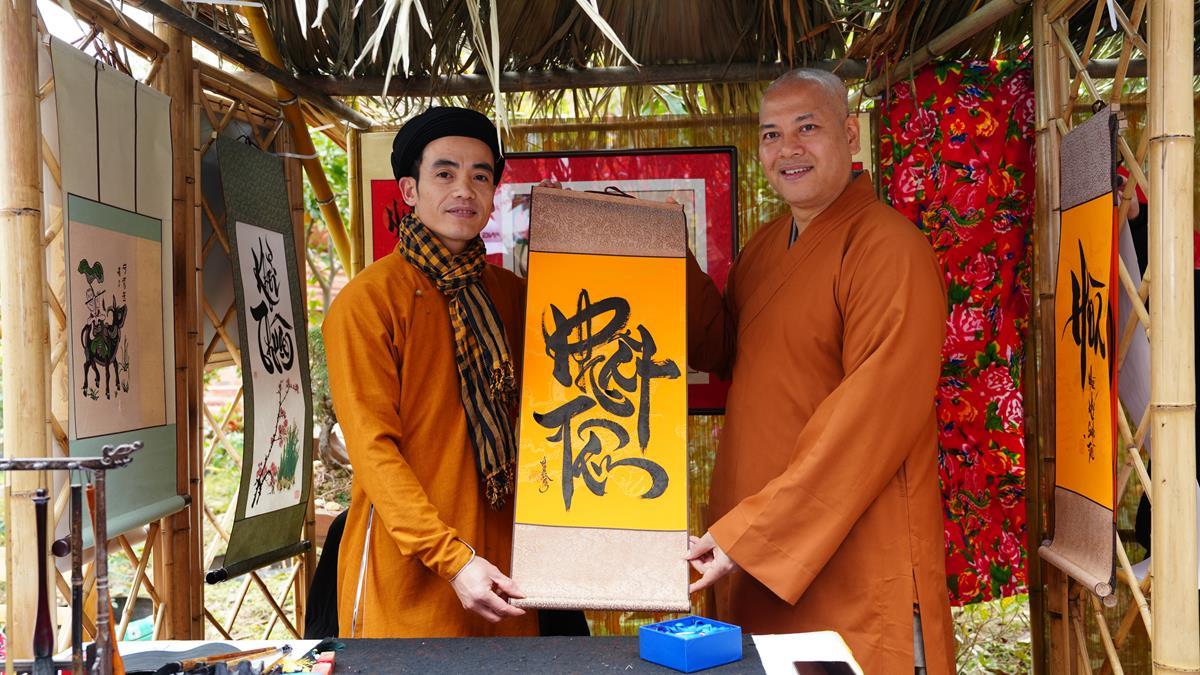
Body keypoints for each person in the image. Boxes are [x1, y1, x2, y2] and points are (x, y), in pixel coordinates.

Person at [683, 69, 955, 674]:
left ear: (850, 135)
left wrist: (754, 530)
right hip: (757, 552)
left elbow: (869, 417)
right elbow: (722, 351)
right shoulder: (763, 248)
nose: (788, 149)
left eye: (807, 128)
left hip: (849, 555)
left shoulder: (888, 246)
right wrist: (666, 252)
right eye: (771, 135)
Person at [323, 106, 538, 637]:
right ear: (410, 190)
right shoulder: (368, 302)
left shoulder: (511, 295)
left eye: (480, 176)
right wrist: (452, 559)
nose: (464, 189)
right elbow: (373, 451)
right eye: (444, 173)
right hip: (411, 569)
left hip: (508, 568)